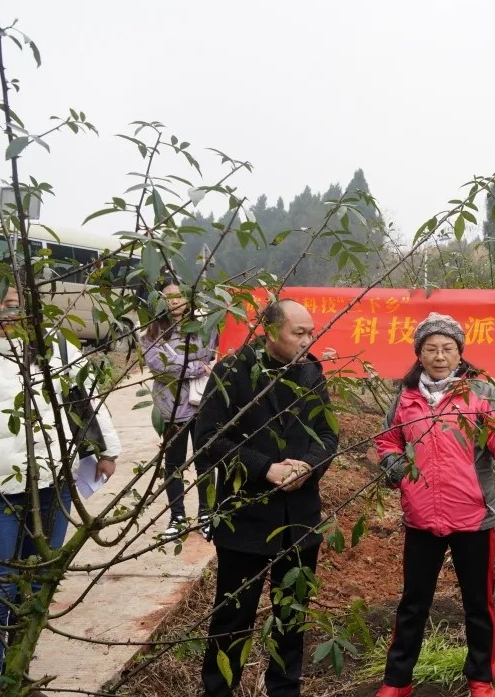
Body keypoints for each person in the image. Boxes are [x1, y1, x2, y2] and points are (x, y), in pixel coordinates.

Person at [0, 271, 121, 697]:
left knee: (37, 583)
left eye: (14, 303)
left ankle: (16, 676)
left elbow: (85, 398)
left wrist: (106, 449)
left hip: (52, 483)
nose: (5, 312)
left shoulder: (55, 348)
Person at [373, 312, 495, 697]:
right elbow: (388, 441)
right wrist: (401, 473)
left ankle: (481, 679)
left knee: (478, 603)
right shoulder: (406, 396)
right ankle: (397, 681)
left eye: (448, 348)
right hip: (421, 516)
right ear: (419, 354)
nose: (440, 356)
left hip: (473, 515)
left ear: (460, 353)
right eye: (432, 349)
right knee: (413, 603)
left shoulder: (480, 392)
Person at [193, 299, 338, 697]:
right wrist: (264, 468)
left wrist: (306, 467)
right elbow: (208, 438)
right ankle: (219, 690)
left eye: (311, 332)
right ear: (272, 332)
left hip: (299, 518)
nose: (309, 341)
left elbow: (328, 436)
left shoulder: (309, 371)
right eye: (300, 333)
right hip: (246, 516)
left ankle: (285, 689)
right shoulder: (233, 371)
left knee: (291, 618)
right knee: (232, 619)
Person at [141, 281, 216, 539]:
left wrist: (186, 363)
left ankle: (207, 514)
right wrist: (195, 367)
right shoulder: (152, 332)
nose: (174, 302)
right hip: (171, 407)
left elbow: (208, 353)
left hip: (201, 404)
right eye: (167, 297)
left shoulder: (203, 327)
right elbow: (158, 365)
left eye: (179, 296)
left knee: (205, 460)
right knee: (173, 463)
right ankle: (177, 517)